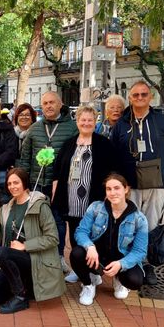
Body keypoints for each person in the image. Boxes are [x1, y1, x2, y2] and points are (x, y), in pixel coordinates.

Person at [110, 80, 164, 285]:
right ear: (130, 98)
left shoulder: (162, 121)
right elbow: (114, 156)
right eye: (135, 95)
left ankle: (146, 264)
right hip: (129, 184)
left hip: (157, 182)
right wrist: (116, 185)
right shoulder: (122, 124)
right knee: (129, 225)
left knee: (150, 226)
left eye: (143, 94)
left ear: (150, 97)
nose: (140, 98)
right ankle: (129, 263)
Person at [0, 168, 65, 314]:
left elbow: (52, 238)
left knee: (2, 253)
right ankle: (25, 286)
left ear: (24, 183)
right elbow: (5, 242)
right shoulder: (6, 208)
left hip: (36, 260)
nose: (12, 186)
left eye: (16, 182)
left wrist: (25, 245)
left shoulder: (39, 205)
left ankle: (20, 297)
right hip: (14, 261)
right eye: (9, 183)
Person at [52, 105, 117, 283]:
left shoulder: (103, 144)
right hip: (72, 200)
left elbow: (113, 172)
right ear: (77, 121)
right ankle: (79, 269)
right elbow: (58, 171)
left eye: (90, 120)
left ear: (95, 121)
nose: (86, 123)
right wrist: (55, 193)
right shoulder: (69, 143)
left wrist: (108, 194)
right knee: (74, 237)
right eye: (83, 120)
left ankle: (94, 272)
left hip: (94, 200)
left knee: (94, 237)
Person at [17, 91, 77, 272]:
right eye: (45, 103)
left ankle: (58, 257)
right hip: (37, 182)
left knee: (58, 222)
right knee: (37, 221)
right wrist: (25, 184)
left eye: (52, 102)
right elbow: (25, 157)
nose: (49, 106)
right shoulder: (35, 128)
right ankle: (38, 256)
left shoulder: (72, 128)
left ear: (60, 104)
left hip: (60, 185)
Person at [71, 173, 148, 305]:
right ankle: (89, 284)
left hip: (120, 259)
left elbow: (140, 251)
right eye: (109, 189)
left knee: (135, 280)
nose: (112, 193)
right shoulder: (95, 208)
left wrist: (121, 264)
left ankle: (118, 278)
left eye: (117, 188)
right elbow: (81, 231)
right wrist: (89, 246)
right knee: (76, 253)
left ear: (126, 189)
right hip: (96, 258)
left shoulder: (139, 219)